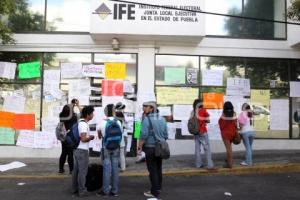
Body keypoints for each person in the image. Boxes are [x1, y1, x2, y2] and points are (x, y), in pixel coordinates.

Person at [138, 101, 168, 199]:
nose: (144, 108)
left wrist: (139, 146)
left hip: (150, 148)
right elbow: (166, 135)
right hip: (160, 147)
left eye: (146, 107)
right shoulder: (162, 119)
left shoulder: (147, 120)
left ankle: (154, 192)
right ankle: (158, 188)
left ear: (152, 108)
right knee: (158, 168)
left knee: (153, 170)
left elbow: (143, 135)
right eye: (144, 106)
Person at [96, 104, 123, 197]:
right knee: (115, 169)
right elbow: (121, 135)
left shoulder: (102, 122)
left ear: (106, 112)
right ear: (114, 111)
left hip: (106, 147)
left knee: (107, 169)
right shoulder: (118, 122)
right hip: (116, 146)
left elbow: (99, 136)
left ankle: (105, 191)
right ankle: (115, 191)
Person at [72, 106, 95, 197]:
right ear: (87, 115)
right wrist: (91, 137)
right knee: (82, 172)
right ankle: (82, 191)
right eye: (92, 113)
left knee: (76, 171)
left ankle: (75, 189)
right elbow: (83, 138)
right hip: (82, 150)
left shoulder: (80, 123)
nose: (93, 115)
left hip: (77, 149)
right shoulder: (84, 125)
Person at [192, 99, 214, 170]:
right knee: (207, 148)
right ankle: (210, 165)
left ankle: (198, 164)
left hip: (196, 133)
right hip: (203, 132)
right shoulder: (203, 110)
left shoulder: (193, 111)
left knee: (197, 149)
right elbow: (207, 120)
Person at [58, 104, 77, 174]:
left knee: (63, 152)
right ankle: (71, 170)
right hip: (70, 136)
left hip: (63, 135)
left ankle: (61, 169)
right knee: (70, 153)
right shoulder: (73, 117)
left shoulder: (61, 115)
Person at [218, 101, 237, 169]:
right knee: (229, 148)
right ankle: (228, 160)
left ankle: (229, 164)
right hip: (232, 133)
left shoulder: (224, 114)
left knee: (229, 149)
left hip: (226, 134)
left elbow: (221, 124)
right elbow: (235, 124)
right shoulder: (234, 113)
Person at [115, 102, 128, 172]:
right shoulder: (121, 115)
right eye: (122, 108)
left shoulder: (114, 116)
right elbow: (125, 126)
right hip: (123, 136)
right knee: (122, 153)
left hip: (116, 137)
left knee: (116, 153)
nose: (123, 109)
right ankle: (123, 167)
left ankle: (117, 166)